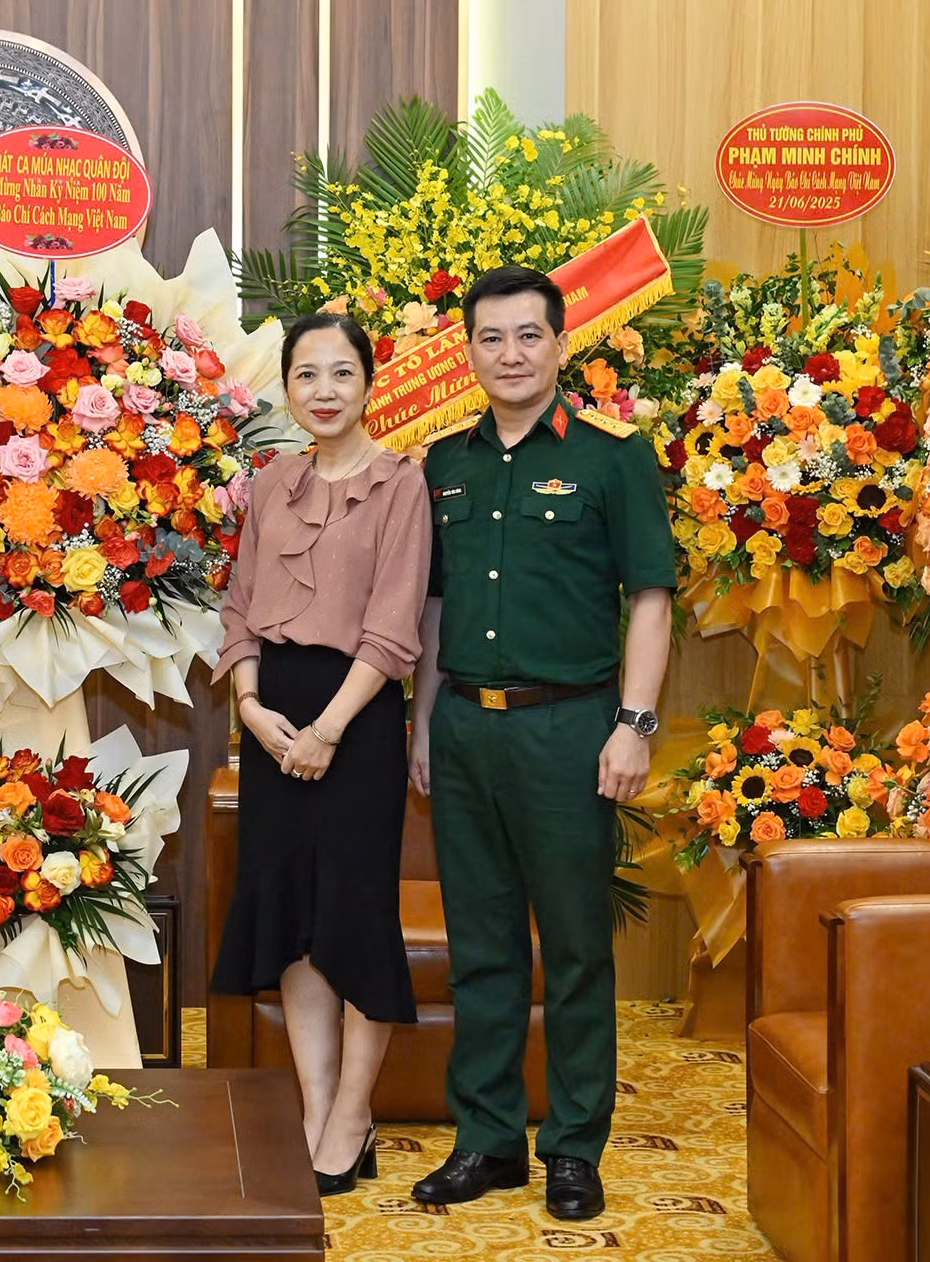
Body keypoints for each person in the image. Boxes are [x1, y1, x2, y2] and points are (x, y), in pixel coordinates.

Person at [407, 266, 675, 1221]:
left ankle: (571, 1147)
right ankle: (487, 1140)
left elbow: (650, 595)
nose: (511, 354)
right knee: (482, 949)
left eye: (529, 336)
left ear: (562, 345)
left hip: (572, 729)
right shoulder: (445, 462)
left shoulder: (613, 456)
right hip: (466, 728)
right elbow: (433, 603)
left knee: (571, 949)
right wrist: (424, 716)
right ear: (468, 350)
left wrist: (635, 725)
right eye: (492, 338)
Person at [210, 312, 431, 1195]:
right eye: (308, 375)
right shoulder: (269, 482)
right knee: (294, 920)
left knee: (353, 913)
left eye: (342, 374)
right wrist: (251, 708)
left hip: (359, 719)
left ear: (370, 383)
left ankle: (353, 1114)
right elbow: (237, 608)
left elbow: (394, 626)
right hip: (273, 719)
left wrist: (331, 729)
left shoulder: (400, 485)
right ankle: (314, 1106)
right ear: (287, 387)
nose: (326, 392)